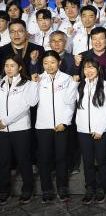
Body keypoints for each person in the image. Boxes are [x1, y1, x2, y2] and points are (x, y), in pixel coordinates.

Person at [34, 51, 78, 203]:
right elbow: (32, 102)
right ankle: (46, 189)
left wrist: (64, 122)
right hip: (43, 126)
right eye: (46, 63)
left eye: (52, 62)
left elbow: (71, 103)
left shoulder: (67, 79)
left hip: (61, 125)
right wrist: (34, 83)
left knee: (61, 157)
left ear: (59, 62)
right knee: (44, 159)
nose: (49, 66)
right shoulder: (38, 79)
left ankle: (62, 188)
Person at [73, 57, 106, 204]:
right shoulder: (80, 86)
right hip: (83, 131)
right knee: (87, 162)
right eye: (85, 68)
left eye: (91, 67)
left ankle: (102, 188)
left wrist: (100, 129)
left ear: (98, 69)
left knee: (101, 161)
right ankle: (90, 188)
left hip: (101, 130)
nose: (88, 71)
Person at [0, 55, 39, 204]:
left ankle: (27, 190)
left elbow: (28, 105)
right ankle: (4, 190)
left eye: (12, 66)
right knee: (3, 161)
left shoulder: (27, 84)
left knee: (24, 160)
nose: (9, 68)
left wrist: (5, 121)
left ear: (20, 67)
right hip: (2, 130)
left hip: (20, 129)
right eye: (6, 65)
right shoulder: (1, 83)